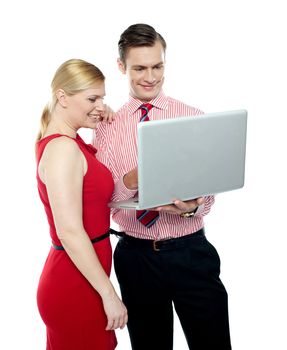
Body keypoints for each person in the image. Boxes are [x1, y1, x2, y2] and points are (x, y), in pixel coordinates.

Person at [93, 24, 232, 350]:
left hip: (191, 251)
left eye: (158, 66)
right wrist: (132, 178)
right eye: (140, 68)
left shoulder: (192, 116)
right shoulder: (107, 126)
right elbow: (105, 198)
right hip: (136, 257)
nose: (150, 76)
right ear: (121, 67)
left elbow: (208, 194)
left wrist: (193, 208)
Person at [35, 58, 128, 350]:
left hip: (84, 275)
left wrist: (97, 114)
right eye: (92, 98)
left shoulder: (67, 142)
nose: (100, 104)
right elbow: (70, 232)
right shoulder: (63, 149)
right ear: (62, 97)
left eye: (102, 97)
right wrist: (109, 295)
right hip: (75, 282)